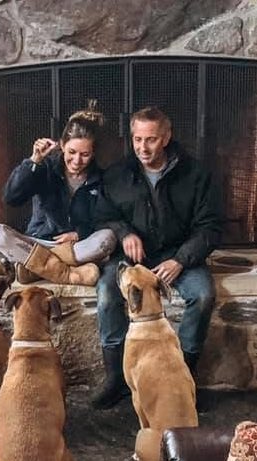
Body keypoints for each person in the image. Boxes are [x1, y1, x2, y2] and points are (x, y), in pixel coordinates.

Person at [91, 106, 223, 410]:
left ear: (166, 137)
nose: (143, 147)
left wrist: (181, 259)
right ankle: (116, 379)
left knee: (203, 296)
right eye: (137, 139)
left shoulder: (196, 174)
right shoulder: (117, 174)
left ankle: (184, 377)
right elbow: (102, 217)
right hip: (131, 257)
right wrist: (124, 233)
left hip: (179, 254)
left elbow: (210, 227)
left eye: (150, 139)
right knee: (107, 293)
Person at [0, 102, 117, 286]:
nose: (77, 160)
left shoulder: (101, 179)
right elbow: (11, 197)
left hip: (75, 246)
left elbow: (106, 218)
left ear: (93, 153)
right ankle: (67, 274)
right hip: (38, 242)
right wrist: (34, 160)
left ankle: (36, 268)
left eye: (85, 154)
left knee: (107, 238)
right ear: (62, 145)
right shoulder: (44, 167)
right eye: (72, 152)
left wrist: (79, 234)